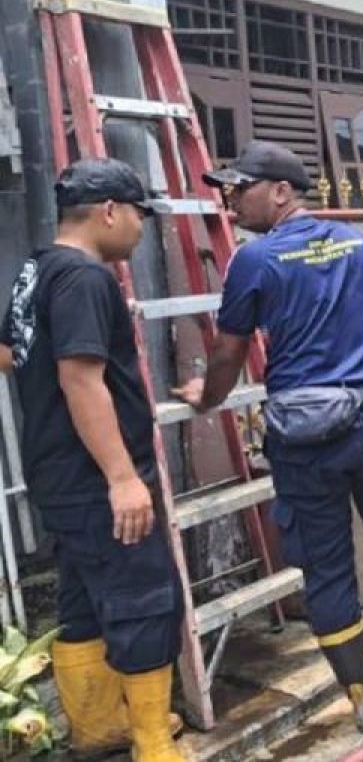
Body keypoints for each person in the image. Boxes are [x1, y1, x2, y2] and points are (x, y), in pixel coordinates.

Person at [171, 141, 363, 734]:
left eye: (240, 187)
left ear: (280, 192)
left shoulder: (254, 261)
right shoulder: (362, 249)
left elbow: (229, 351)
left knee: (327, 569)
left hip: (304, 436)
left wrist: (210, 396)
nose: (230, 200)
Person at [0, 159, 187, 761]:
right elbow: (81, 378)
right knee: (144, 599)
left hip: (55, 474)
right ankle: (154, 747)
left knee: (81, 599)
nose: (139, 228)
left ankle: (97, 726)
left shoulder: (37, 268)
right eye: (137, 214)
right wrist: (122, 477)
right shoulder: (84, 279)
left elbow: (10, 353)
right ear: (109, 210)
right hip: (96, 479)